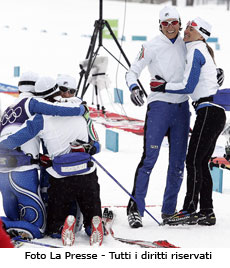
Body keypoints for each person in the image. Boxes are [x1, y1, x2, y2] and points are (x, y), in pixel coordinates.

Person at [0, 76, 103, 246]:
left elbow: (13, 140)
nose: (69, 94)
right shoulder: (81, 109)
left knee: (51, 224)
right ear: (58, 91)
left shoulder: (40, 119)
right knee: (90, 203)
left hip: (61, 175)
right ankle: (93, 226)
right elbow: (96, 142)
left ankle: (60, 227)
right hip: (86, 171)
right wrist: (90, 148)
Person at [150, 17, 226, 226]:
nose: (187, 31)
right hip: (213, 112)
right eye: (188, 27)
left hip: (209, 112)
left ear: (201, 34)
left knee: (193, 160)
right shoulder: (198, 49)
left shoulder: (196, 50)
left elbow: (188, 86)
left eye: (192, 28)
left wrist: (162, 86)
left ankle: (189, 209)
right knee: (200, 162)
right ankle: (207, 212)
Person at [125, 6, 190, 228]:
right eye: (165, 23)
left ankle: (169, 211)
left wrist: (217, 72)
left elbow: (204, 65)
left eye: (174, 23)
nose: (170, 27)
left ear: (180, 23)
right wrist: (134, 87)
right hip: (159, 106)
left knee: (178, 163)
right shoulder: (151, 45)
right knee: (149, 160)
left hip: (182, 108)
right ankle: (135, 209)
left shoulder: (188, 43)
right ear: (159, 25)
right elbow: (132, 71)